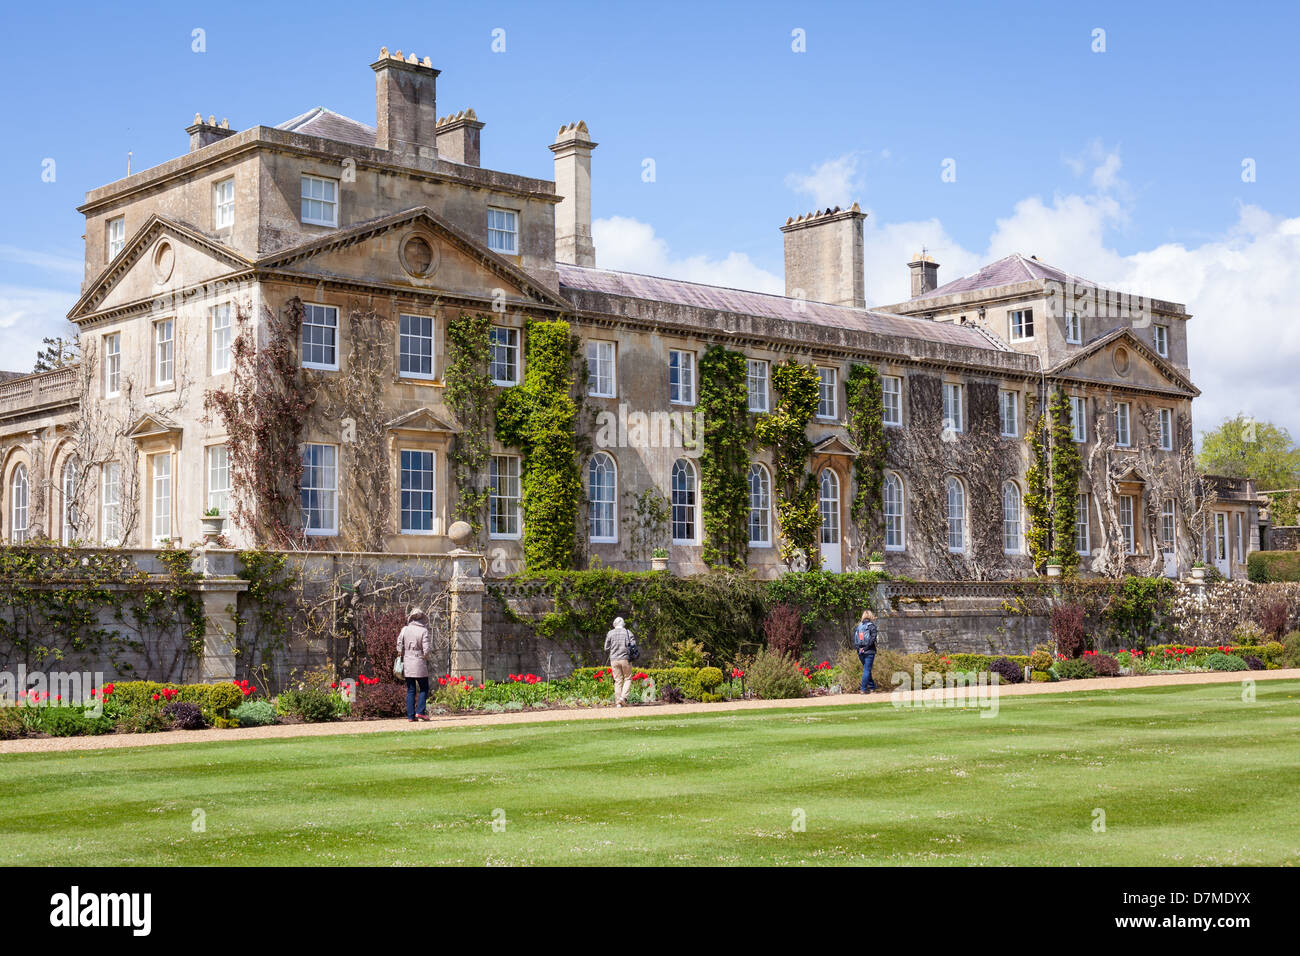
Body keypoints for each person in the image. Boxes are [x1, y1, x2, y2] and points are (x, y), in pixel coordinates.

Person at [398, 608, 433, 721]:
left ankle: (411, 716)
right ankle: (420, 712)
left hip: (408, 661)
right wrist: (426, 658)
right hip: (419, 661)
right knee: (424, 688)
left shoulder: (405, 629)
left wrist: (404, 654)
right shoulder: (424, 631)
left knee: (411, 689)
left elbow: (399, 646)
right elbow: (426, 650)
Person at [604, 616, 636, 707]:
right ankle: (623, 698)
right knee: (628, 678)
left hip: (614, 659)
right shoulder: (627, 632)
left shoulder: (610, 633)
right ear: (623, 624)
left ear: (614, 625)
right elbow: (633, 645)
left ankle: (618, 702)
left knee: (617, 680)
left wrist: (613, 648)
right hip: (625, 659)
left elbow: (606, 648)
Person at [852, 610, 879, 694]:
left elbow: (855, 640)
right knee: (867, 670)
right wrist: (866, 648)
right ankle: (863, 689)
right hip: (869, 651)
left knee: (867, 669)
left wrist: (859, 649)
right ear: (871, 616)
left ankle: (872, 687)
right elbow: (873, 639)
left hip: (860, 652)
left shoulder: (858, 627)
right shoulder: (872, 626)